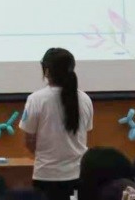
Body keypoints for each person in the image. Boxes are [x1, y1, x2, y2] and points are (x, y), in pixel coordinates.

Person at [19, 48, 94, 200]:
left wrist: (47, 157)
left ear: (47, 71)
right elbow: (86, 133)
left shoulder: (36, 99)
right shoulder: (85, 99)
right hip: (78, 174)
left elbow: (29, 141)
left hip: (46, 175)